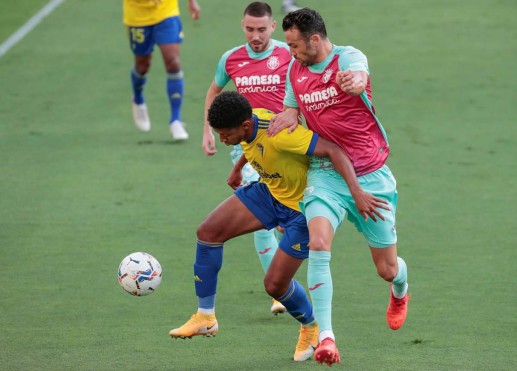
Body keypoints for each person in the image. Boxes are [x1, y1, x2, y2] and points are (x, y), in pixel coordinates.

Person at [169, 91, 388, 362]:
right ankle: (206, 316)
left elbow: (333, 150)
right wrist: (238, 167)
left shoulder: (283, 134)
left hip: (302, 211)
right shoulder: (254, 118)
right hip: (270, 193)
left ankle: (311, 326)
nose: (222, 140)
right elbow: (252, 145)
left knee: (274, 285)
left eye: (225, 135)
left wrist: (356, 193)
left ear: (244, 125)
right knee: (208, 232)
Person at [268, 8, 411, 366]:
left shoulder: (348, 57)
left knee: (386, 269)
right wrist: (291, 114)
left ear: (315, 40)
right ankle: (327, 337)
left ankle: (400, 289)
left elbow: (359, 76)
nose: (290, 51)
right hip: (326, 174)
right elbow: (293, 107)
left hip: (370, 175)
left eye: (295, 44)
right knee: (318, 243)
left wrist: (356, 84)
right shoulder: (294, 68)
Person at [201, 2, 293, 314]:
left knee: (283, 218)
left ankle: (282, 282)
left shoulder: (286, 54)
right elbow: (214, 92)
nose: (256, 36)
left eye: (262, 29)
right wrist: (206, 130)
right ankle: (279, 291)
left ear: (273, 26)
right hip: (246, 149)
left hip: (285, 149)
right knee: (261, 222)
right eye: (250, 29)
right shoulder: (231, 58)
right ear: (243, 26)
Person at [123, 0, 201, 141]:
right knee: (142, 66)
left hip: (166, 11)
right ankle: (138, 98)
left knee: (173, 62)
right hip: (137, 14)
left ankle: (176, 120)